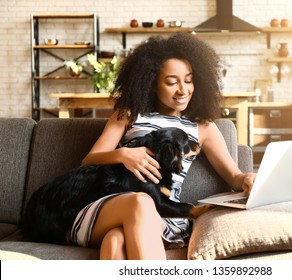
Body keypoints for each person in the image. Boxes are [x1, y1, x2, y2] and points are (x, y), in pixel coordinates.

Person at [71, 32, 257, 260]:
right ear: (152, 83)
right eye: (171, 82)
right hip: (112, 205)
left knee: (115, 241)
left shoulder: (203, 127)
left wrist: (247, 178)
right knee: (139, 202)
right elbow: (89, 160)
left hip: (161, 213)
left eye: (188, 80)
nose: (183, 90)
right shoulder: (128, 115)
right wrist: (123, 154)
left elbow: (234, 176)